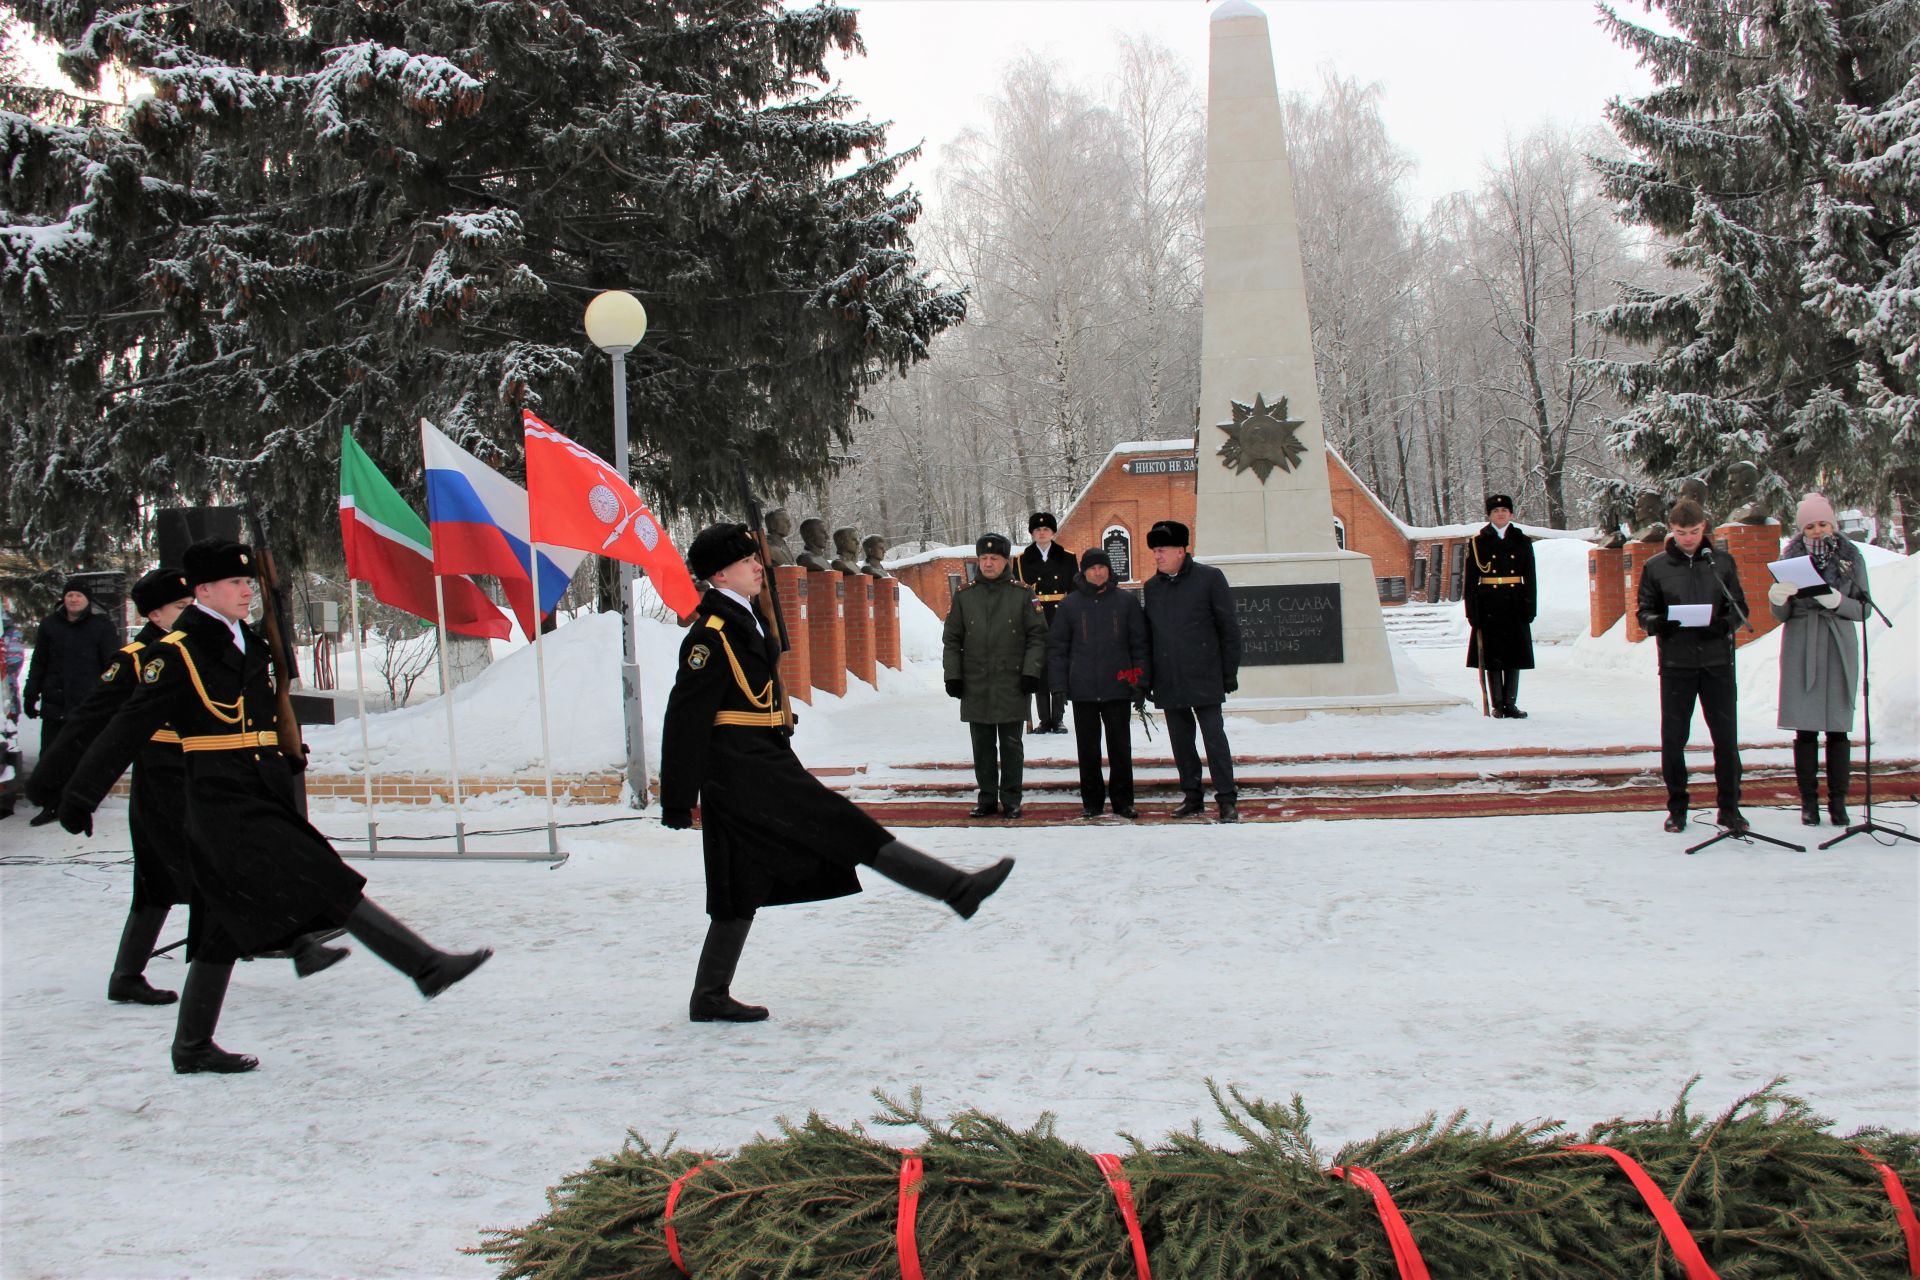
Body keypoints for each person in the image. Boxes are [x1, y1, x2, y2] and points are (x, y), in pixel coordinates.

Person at [56, 539, 491, 1074]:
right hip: (219, 797)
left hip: (259, 786)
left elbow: (270, 711)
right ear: (203, 591)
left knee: (217, 926)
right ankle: (425, 965)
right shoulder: (178, 651)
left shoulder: (253, 644)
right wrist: (79, 795)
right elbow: (127, 726)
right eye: (235, 584)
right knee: (324, 876)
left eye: (248, 582)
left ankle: (191, 1046)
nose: (246, 591)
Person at [660, 523, 1014, 1023]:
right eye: (747, 561)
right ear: (719, 573)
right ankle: (956, 889)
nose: (758, 566)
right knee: (843, 826)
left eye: (756, 558)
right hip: (745, 770)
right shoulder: (711, 633)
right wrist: (677, 796)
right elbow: (686, 716)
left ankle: (709, 994)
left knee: (736, 880)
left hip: (760, 760)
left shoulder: (744, 619)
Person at [28, 567, 348, 1006]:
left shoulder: (201, 651)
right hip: (162, 783)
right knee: (189, 876)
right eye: (181, 607)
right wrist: (54, 788)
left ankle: (131, 975)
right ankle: (294, 947)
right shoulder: (139, 659)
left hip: (199, 775)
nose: (189, 613)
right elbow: (90, 724)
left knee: (170, 881)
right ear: (156, 615)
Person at [1634, 498, 1750, 834]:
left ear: (1705, 529)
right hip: (1676, 663)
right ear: (1672, 530)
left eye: (1694, 532)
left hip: (1717, 662)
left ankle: (1729, 809)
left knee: (1726, 739)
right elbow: (1643, 611)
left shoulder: (1722, 562)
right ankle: (1677, 808)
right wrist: (1659, 623)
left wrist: (1724, 625)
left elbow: (1739, 607)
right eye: (1682, 532)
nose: (1688, 538)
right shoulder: (1656, 567)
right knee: (1673, 739)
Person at [1768, 493, 1871, 827]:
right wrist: (1778, 599)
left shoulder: (1851, 558)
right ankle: (1808, 802)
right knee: (1806, 728)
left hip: (1838, 643)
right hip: (1802, 643)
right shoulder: (1791, 558)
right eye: (1810, 526)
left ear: (1833, 524)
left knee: (1838, 729)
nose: (1817, 530)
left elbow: (1865, 608)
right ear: (1802, 529)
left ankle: (1838, 802)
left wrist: (1838, 600)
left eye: (1822, 524)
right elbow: (1781, 614)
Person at [1142, 520, 1242, 822]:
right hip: (1169, 679)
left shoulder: (1210, 579)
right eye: (1155, 551)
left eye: (1162, 550)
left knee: (1214, 739)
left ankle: (1226, 799)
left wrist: (1229, 671)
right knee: (1182, 743)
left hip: (1205, 675)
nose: (1157, 556)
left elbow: (1229, 629)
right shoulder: (1152, 587)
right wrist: (1148, 677)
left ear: (1181, 551)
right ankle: (1192, 796)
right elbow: (1149, 635)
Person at [943, 532, 1049, 819]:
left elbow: (1038, 637)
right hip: (976, 682)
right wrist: (952, 675)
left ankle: (1012, 798)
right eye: (984, 558)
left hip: (1012, 682)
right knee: (982, 744)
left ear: (1006, 561)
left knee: (1012, 745)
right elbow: (952, 639)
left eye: (994, 558)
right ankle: (987, 797)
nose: (988, 564)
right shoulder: (965, 595)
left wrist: (1031, 673)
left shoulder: (1023, 594)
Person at [1049, 548, 1150, 819]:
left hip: (1118, 688)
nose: (1098, 572)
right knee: (1088, 751)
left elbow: (1139, 645)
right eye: (1092, 568)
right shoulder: (1070, 605)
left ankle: (1123, 801)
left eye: (1102, 567)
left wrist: (1139, 682)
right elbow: (1058, 648)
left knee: (1120, 750)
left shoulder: (1126, 602)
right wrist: (1058, 686)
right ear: (1083, 571)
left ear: (1109, 570)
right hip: (1082, 691)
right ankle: (1092, 802)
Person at [21, 577, 119, 824]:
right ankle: (51, 805)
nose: (73, 599)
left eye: (79, 596)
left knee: (84, 755)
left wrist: (111, 698)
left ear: (87, 600)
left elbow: (113, 665)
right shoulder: (50, 625)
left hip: (87, 704)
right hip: (55, 702)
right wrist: (30, 694)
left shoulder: (101, 625)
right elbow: (39, 662)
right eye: (69, 595)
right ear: (63, 599)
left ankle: (78, 804)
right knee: (51, 755)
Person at [1462, 494, 1537, 718]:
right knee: (1493, 657)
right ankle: (1497, 704)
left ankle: (1511, 703)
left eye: (1504, 510)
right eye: (1496, 511)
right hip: (1489, 604)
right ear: (1490, 515)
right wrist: (1471, 612)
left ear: (1511, 514)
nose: (1500, 514)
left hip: (1514, 602)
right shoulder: (1478, 541)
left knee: (1514, 655)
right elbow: (1471, 580)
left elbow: (1530, 577)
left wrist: (1530, 606)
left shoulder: (1522, 540)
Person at [1013, 513, 1074, 732]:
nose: (1042, 532)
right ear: (1031, 533)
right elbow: (1018, 594)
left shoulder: (1067, 557)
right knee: (1039, 669)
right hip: (1034, 617)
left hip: (1060, 618)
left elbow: (1074, 593)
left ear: (1053, 532)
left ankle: (1058, 719)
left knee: (1057, 668)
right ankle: (1043, 719)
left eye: (1046, 529)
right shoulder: (1021, 560)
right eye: (1037, 530)